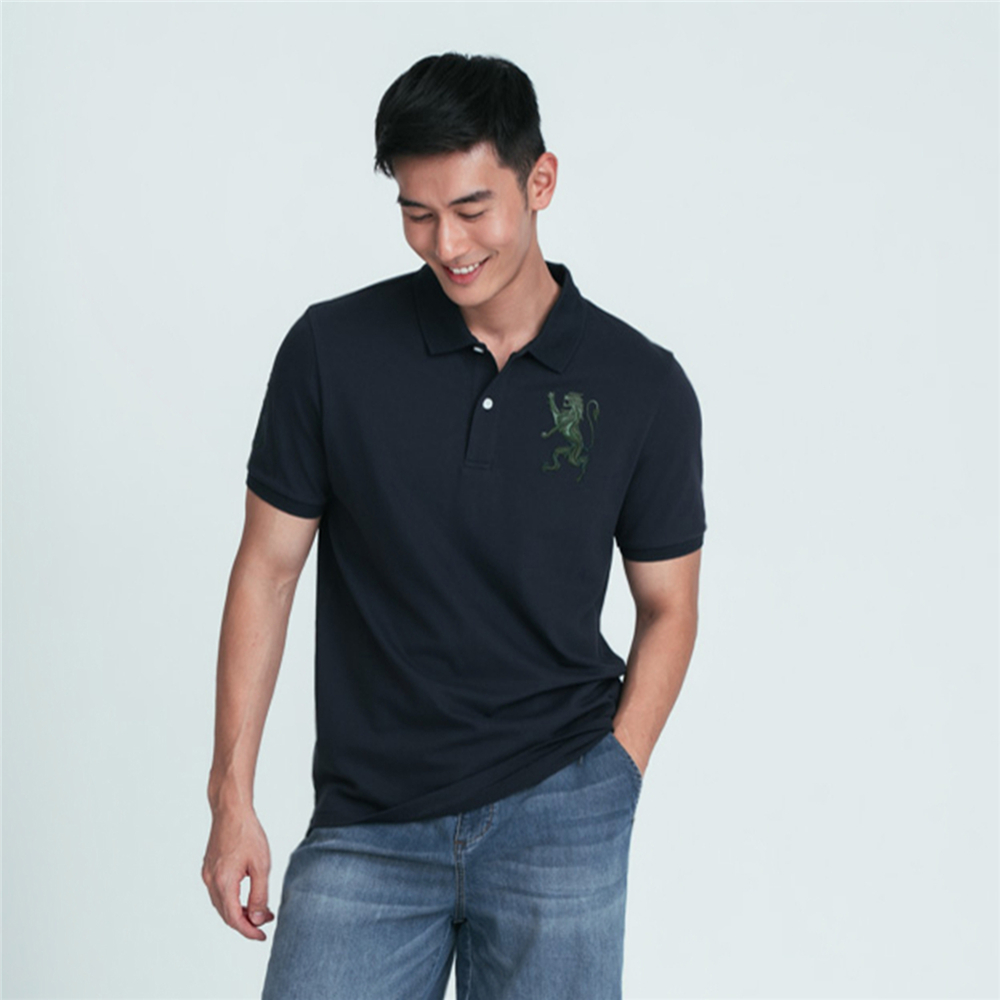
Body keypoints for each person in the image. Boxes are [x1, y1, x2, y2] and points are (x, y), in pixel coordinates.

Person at [202, 52, 706, 1000]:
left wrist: (615, 776)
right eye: (417, 213)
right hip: (368, 821)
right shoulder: (331, 352)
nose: (447, 245)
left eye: (473, 209)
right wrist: (231, 797)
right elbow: (267, 569)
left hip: (561, 808)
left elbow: (669, 604)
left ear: (540, 180)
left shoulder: (642, 385)